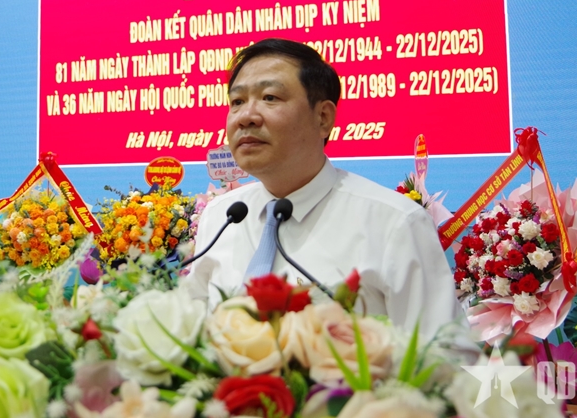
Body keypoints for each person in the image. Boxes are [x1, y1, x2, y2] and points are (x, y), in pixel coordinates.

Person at [183, 38, 460, 336]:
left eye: (270, 97)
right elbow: (193, 333)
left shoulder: (394, 223)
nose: (246, 117)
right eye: (237, 102)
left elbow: (447, 351)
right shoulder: (222, 216)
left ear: (323, 118)